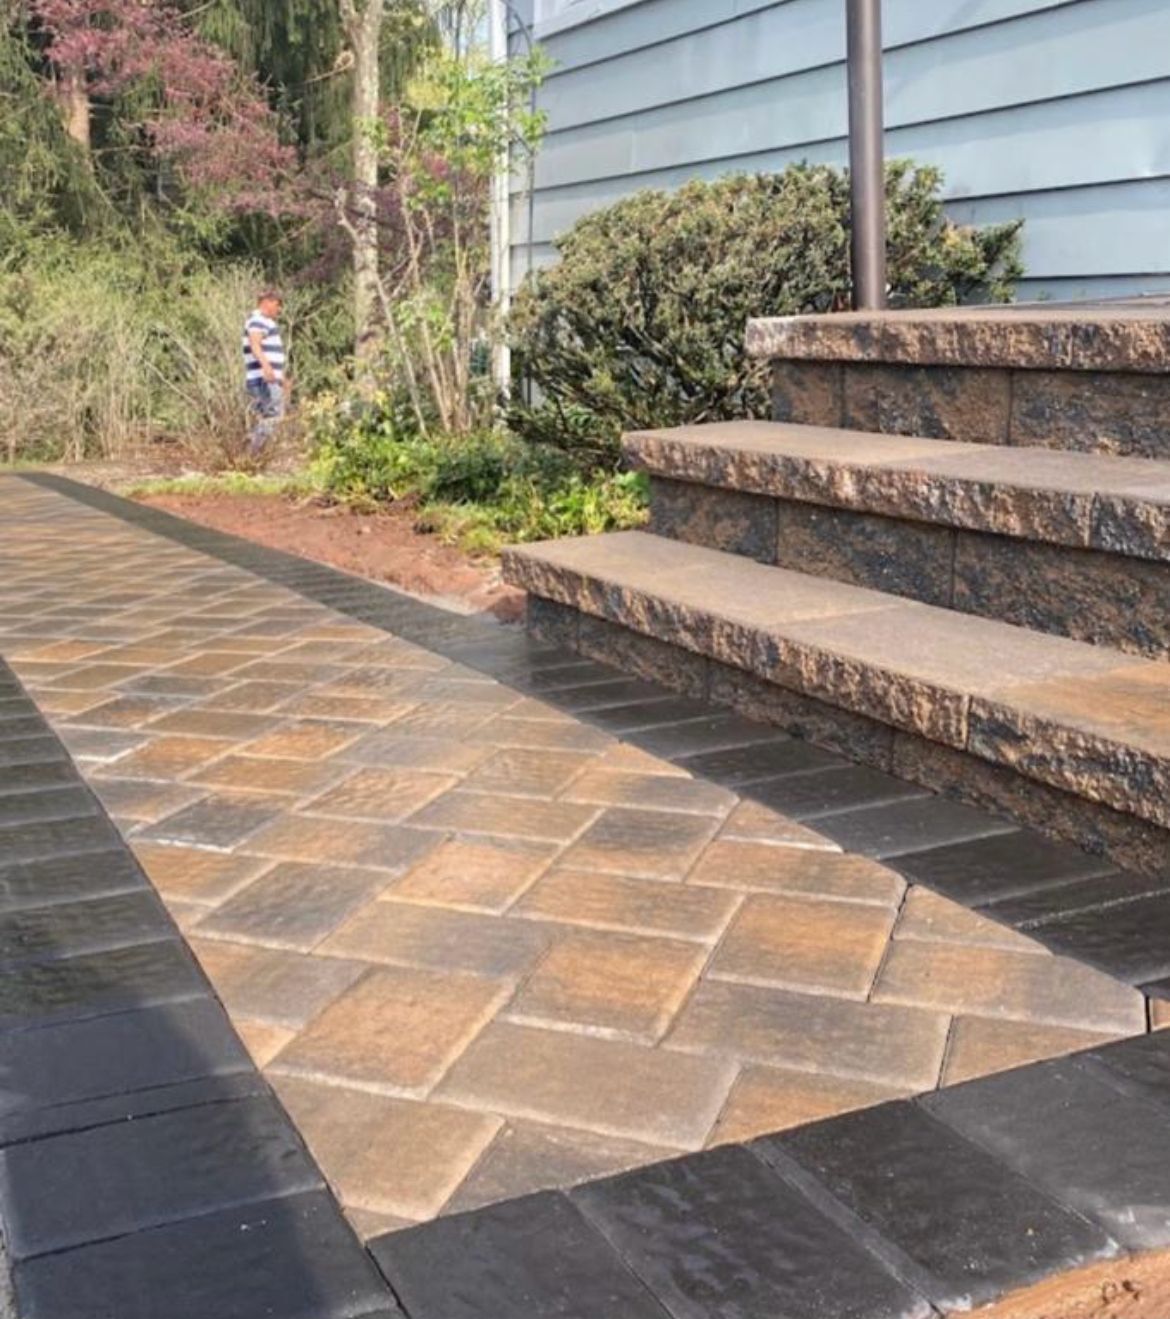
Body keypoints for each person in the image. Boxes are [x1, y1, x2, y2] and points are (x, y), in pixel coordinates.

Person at [243, 291, 287, 452]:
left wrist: (280, 376)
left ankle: (252, 453)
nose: (279, 309)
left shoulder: (262, 321)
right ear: (267, 302)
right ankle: (250, 453)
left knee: (265, 417)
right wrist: (267, 368)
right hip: (264, 379)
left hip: (267, 377)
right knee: (273, 416)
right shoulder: (258, 320)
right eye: (277, 304)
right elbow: (255, 345)